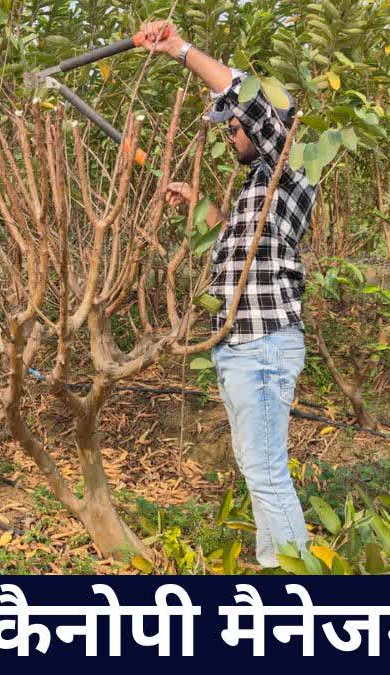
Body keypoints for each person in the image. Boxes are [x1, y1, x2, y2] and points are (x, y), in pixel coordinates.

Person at [136, 20, 318, 568]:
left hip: (263, 342)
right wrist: (195, 204)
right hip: (242, 343)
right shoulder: (256, 187)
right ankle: (279, 563)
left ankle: (295, 583)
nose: (228, 134)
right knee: (256, 466)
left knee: (265, 471)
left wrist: (181, 50)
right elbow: (232, 248)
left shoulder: (291, 167)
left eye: (232, 126)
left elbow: (252, 102)